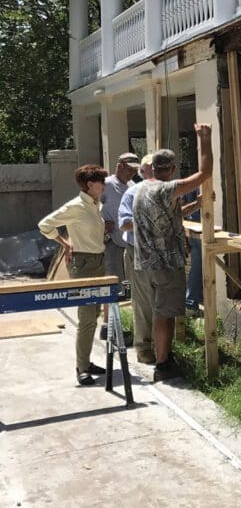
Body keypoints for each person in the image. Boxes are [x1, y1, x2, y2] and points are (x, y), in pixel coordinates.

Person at [131, 125, 213, 382]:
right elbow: (205, 173)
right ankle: (164, 365)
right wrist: (205, 139)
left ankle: (162, 356)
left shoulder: (141, 188)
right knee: (165, 315)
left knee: (159, 313)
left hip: (145, 264)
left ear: (152, 167)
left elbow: (171, 216)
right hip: (165, 264)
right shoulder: (165, 189)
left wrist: (196, 204)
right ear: (172, 169)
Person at [38, 164, 109, 386]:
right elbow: (45, 225)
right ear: (90, 185)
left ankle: (86, 361)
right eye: (101, 182)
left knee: (93, 314)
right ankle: (82, 367)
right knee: (86, 317)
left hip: (97, 260)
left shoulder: (94, 205)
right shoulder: (77, 206)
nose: (104, 186)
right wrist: (65, 243)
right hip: (84, 263)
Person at [117, 155, 156, 364]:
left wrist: (196, 204)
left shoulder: (167, 191)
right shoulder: (133, 193)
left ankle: (162, 344)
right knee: (143, 302)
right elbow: (124, 224)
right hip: (137, 251)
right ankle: (143, 347)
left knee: (161, 300)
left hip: (160, 253)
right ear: (145, 171)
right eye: (155, 168)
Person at [100, 152, 140, 338]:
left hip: (129, 244)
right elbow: (89, 206)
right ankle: (107, 327)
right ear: (121, 165)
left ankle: (116, 327)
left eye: (135, 170)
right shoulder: (106, 184)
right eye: (130, 169)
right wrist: (101, 224)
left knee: (126, 287)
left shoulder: (132, 186)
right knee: (112, 285)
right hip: (112, 243)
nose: (132, 173)